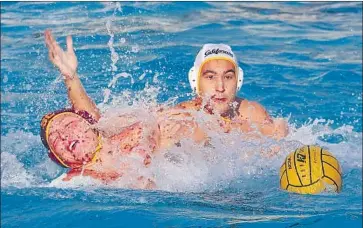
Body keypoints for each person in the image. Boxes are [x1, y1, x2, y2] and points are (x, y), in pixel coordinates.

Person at [171, 44, 289, 140]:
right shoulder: (182, 116)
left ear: (238, 81)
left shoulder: (252, 112)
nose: (220, 87)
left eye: (228, 77)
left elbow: (279, 135)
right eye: (210, 77)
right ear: (195, 81)